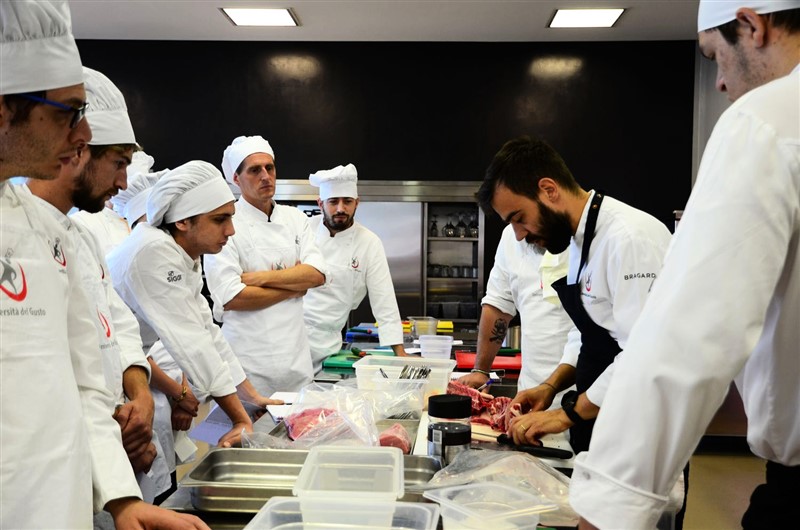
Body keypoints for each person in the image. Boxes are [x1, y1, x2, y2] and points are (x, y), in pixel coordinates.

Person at [569, 2, 800, 529]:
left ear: (752, 26)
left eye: (715, 56)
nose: (718, 82)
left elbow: (689, 339)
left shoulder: (765, 123)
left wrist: (610, 506)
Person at [0, 2, 207, 528]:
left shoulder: (48, 232)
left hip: (61, 499)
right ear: (3, 109)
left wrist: (121, 498)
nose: (78, 137)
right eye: (70, 113)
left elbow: (88, 381)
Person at [26, 66, 172, 511]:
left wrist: (141, 397)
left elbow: (118, 329)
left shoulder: (81, 238)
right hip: (59, 468)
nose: (125, 183)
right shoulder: (18, 236)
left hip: (114, 449)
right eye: (120, 163)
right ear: (78, 150)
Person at [475, 136, 672, 456]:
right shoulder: (580, 242)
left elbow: (644, 355)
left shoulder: (630, 239)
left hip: (639, 434)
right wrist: (550, 388)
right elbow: (588, 333)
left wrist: (565, 414)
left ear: (549, 190)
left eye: (519, 218)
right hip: (601, 423)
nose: (519, 235)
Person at [107, 160, 281, 448]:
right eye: (219, 220)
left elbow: (207, 329)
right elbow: (191, 341)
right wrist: (239, 418)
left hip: (134, 377)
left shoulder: (180, 250)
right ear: (183, 221)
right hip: (115, 384)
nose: (231, 231)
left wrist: (248, 395)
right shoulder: (153, 251)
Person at [204, 135, 327, 395]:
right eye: (254, 170)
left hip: (296, 363)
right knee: (245, 436)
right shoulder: (224, 224)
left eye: (269, 168)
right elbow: (231, 297)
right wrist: (294, 286)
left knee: (297, 434)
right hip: (247, 367)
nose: (265, 176)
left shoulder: (295, 218)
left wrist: (257, 278)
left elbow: (316, 275)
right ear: (236, 180)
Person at [302, 163, 408, 373]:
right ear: (320, 202)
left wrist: (400, 352)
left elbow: (384, 298)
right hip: (290, 336)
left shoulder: (369, 242)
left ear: (357, 203)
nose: (341, 208)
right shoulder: (303, 231)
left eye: (347, 201)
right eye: (333, 202)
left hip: (328, 343)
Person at [457, 225, 574, 397]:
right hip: (530, 394)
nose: (518, 235)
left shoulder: (600, 233)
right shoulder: (511, 235)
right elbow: (498, 304)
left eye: (520, 217)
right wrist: (481, 370)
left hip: (586, 398)